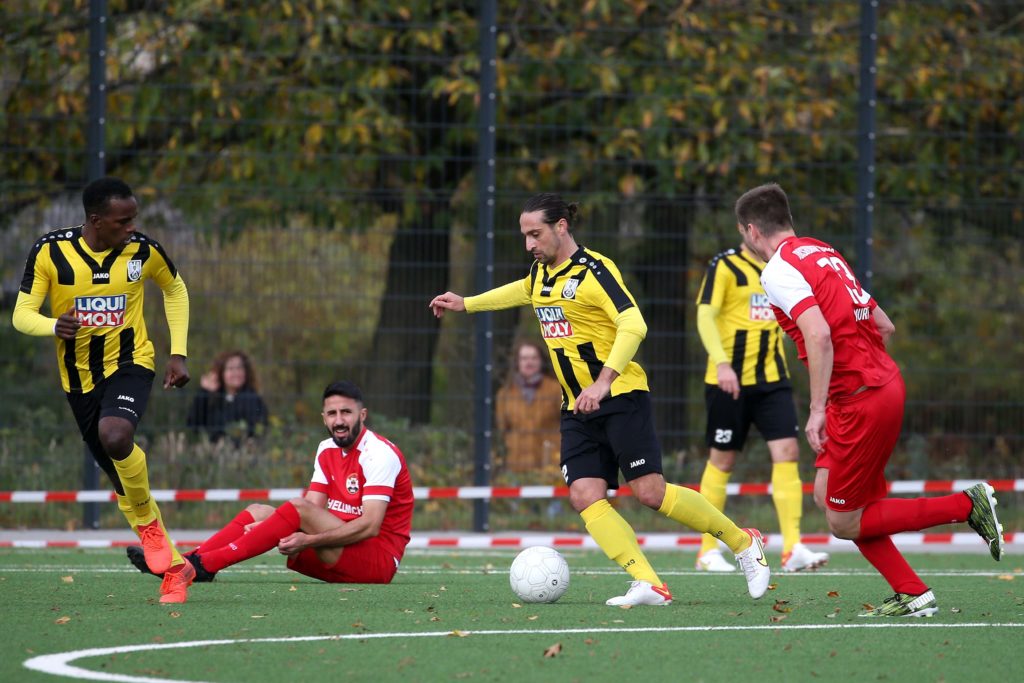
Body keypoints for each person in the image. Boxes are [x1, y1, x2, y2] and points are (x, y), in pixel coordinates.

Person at [430, 193, 771, 606]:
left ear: (561, 227)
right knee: (584, 494)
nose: (529, 244)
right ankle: (648, 582)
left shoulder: (595, 270)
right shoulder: (540, 274)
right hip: (576, 406)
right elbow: (523, 291)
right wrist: (467, 303)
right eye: (524, 236)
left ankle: (743, 542)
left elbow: (634, 323)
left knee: (650, 493)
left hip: (620, 395)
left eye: (535, 234)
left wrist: (603, 382)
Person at [736, 182, 1004, 617]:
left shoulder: (777, 269)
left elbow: (819, 335)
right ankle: (912, 592)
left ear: (751, 230)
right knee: (828, 495)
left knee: (844, 521)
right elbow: (884, 325)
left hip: (860, 401)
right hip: (877, 389)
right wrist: (864, 379)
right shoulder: (823, 251)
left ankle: (966, 505)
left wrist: (820, 409)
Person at [12, 176, 196, 603]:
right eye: (122, 221)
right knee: (119, 476)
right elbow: (21, 314)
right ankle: (176, 567)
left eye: (134, 218)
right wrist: (53, 325)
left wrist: (179, 353)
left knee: (116, 435)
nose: (132, 227)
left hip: (132, 363)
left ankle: (151, 534)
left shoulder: (142, 251)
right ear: (95, 221)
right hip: (78, 380)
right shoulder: (50, 252)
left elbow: (175, 287)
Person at [128, 381, 414, 585]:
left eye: (346, 412)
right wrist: (270, 527)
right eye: (332, 414)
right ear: (324, 418)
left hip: (376, 561)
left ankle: (203, 566)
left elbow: (369, 526)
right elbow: (312, 509)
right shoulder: (326, 448)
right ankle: (184, 562)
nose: (339, 421)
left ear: (362, 415)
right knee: (259, 512)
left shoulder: (379, 453)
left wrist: (308, 540)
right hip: (339, 546)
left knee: (295, 509)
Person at [694, 243, 830, 573]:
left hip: (773, 380)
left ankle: (792, 547)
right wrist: (722, 363)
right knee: (722, 460)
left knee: (788, 453)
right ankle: (707, 551)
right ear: (748, 230)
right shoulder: (725, 265)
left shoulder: (782, 268)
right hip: (729, 381)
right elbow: (705, 315)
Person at [494, 339, 563, 485]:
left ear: (541, 361)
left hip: (550, 466)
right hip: (516, 467)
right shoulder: (505, 394)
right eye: (524, 358)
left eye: (534, 358)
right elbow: (502, 429)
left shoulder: (556, 389)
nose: (529, 362)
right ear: (517, 362)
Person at [186, 349, 268, 441]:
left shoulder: (253, 399)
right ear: (222, 373)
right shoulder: (213, 399)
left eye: (240, 368)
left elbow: (258, 431)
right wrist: (204, 392)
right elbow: (194, 425)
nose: (236, 373)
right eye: (231, 369)